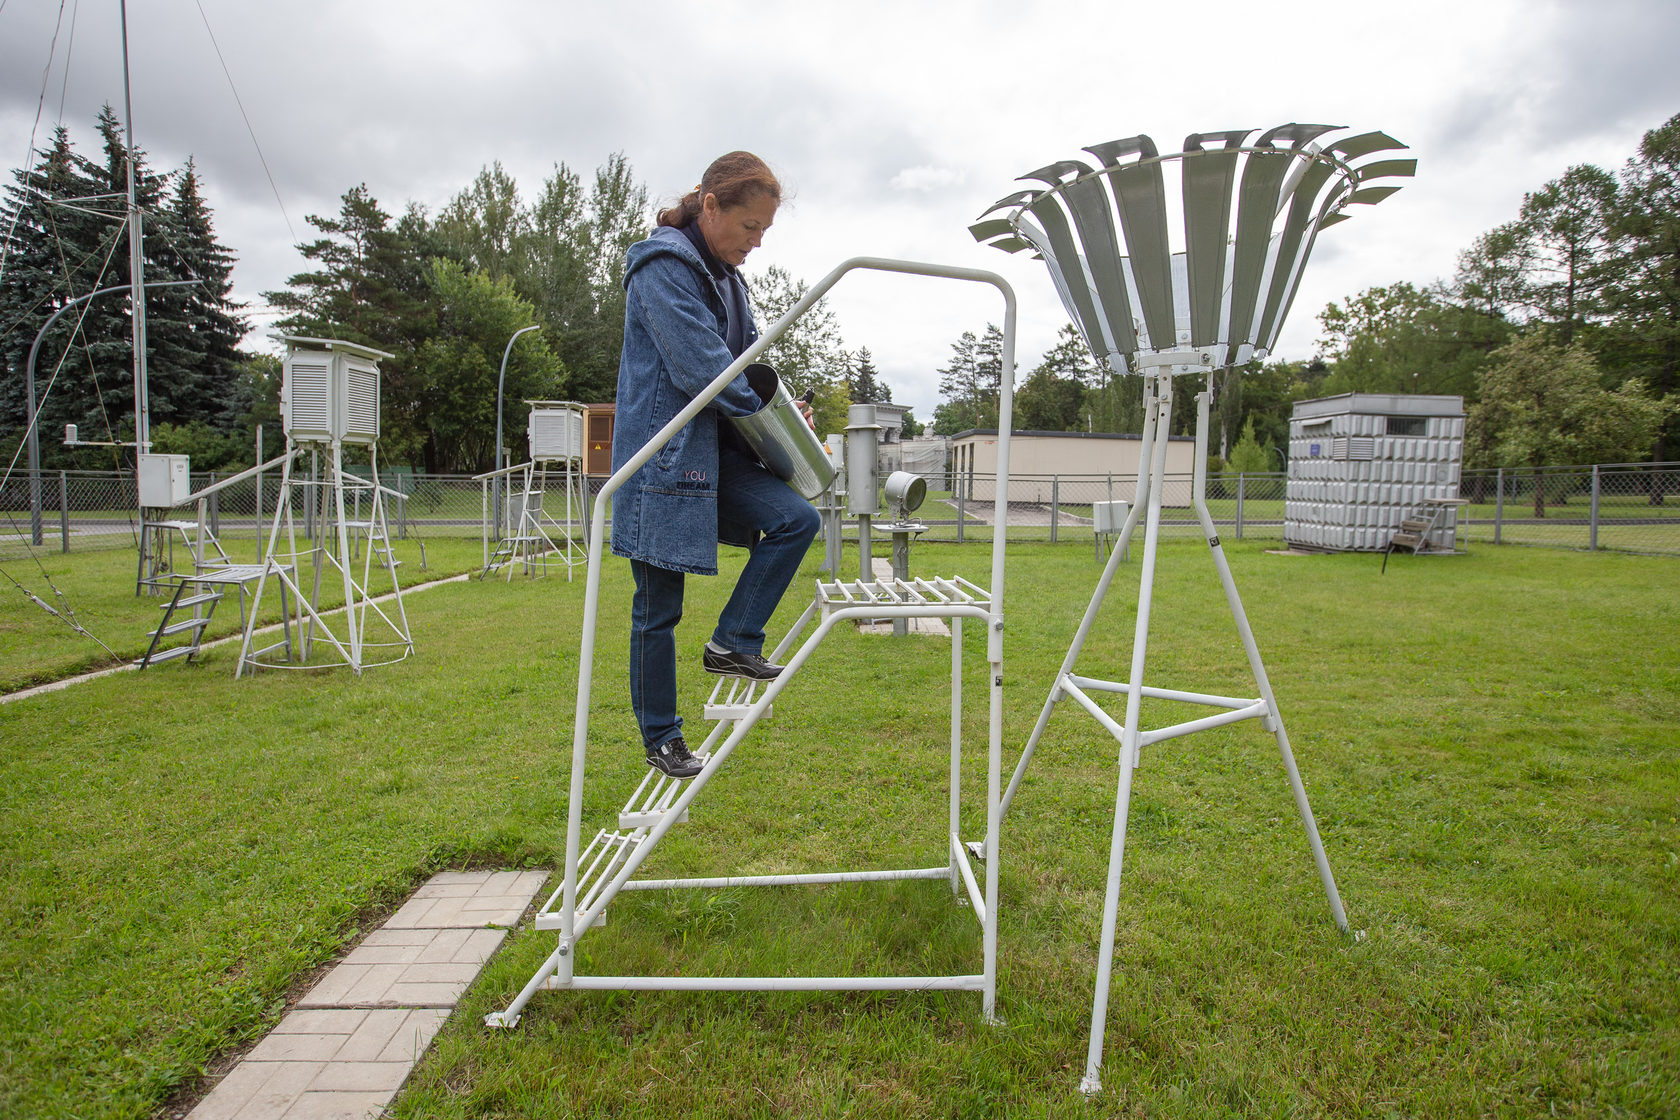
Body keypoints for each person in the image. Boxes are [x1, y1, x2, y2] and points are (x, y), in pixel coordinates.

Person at [610, 151, 821, 780]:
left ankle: (733, 642)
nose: (756, 242)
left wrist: (789, 412)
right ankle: (662, 738)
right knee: (657, 609)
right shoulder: (660, 269)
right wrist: (766, 408)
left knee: (795, 521)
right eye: (749, 227)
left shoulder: (731, 280)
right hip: (664, 460)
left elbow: (750, 361)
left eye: (765, 231)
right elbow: (702, 369)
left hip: (718, 454)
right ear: (710, 205)